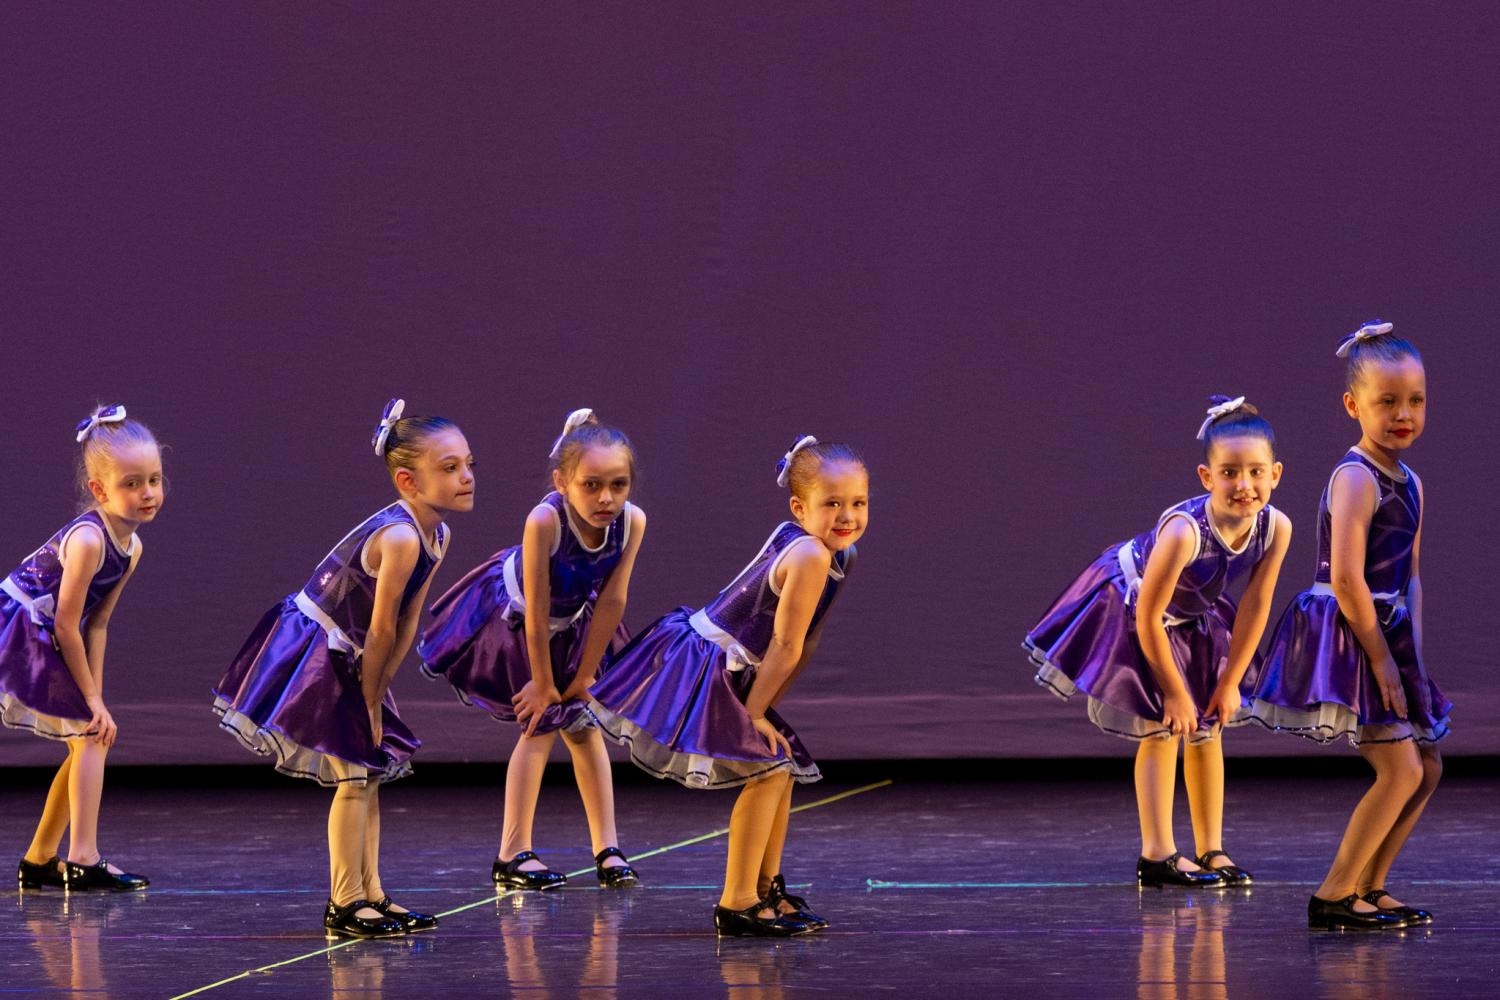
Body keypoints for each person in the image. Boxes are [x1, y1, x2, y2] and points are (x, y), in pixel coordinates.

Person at [213, 399, 473, 937]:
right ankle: (344, 901)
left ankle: (371, 891)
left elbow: (405, 623)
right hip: (318, 648)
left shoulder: (437, 535)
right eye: (449, 468)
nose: (466, 477)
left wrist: (379, 692)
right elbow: (378, 629)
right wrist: (369, 701)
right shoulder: (400, 537)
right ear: (408, 481)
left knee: (369, 773)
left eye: (469, 465)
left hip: (354, 654)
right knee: (354, 776)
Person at [588, 436, 867, 936]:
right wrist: (756, 712)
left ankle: (766, 888)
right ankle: (737, 902)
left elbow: (807, 640)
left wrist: (768, 704)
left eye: (858, 503)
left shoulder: (836, 554)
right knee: (767, 771)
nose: (847, 516)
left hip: (736, 669)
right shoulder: (809, 555)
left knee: (779, 768)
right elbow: (783, 643)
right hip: (707, 664)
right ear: (799, 509)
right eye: (833, 504)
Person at [1025, 397, 1290, 888]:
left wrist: (1231, 681)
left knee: (1209, 724)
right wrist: (1174, 690)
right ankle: (1158, 854)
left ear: (1275, 474)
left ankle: (1212, 848)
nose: (1244, 485)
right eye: (1229, 473)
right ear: (1206, 477)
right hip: (1132, 606)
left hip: (1193, 613)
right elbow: (1147, 614)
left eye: (1256, 472)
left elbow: (1256, 604)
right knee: (1165, 727)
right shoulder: (1185, 532)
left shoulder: (1276, 527)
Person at [1247, 322, 1449, 930]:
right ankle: (1334, 894)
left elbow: (1409, 577)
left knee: (1428, 765)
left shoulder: (1410, 482)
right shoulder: (1357, 476)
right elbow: (1348, 579)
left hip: (1387, 628)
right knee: (1402, 767)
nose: (1403, 414)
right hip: (1351, 631)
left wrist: (1409, 650)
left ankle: (1369, 884)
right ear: (1353, 406)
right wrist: (1381, 659)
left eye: (1415, 401)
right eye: (1387, 402)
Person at [419, 408, 644, 891]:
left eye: (619, 485)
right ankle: (512, 852)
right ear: (562, 482)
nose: (606, 498)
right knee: (541, 724)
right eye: (591, 485)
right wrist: (543, 684)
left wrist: (584, 678)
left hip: (580, 624)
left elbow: (613, 600)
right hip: (519, 620)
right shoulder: (544, 521)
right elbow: (539, 613)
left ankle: (607, 847)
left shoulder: (632, 523)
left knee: (584, 727)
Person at [8, 406, 162, 892]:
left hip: (51, 632)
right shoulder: (91, 539)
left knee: (87, 736)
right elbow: (66, 623)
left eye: (155, 479)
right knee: (89, 738)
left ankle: (39, 860)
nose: (148, 493)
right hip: (20, 626)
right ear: (99, 491)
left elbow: (99, 625)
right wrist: (91, 702)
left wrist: (98, 699)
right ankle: (82, 857)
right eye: (133, 483)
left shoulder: (131, 549)